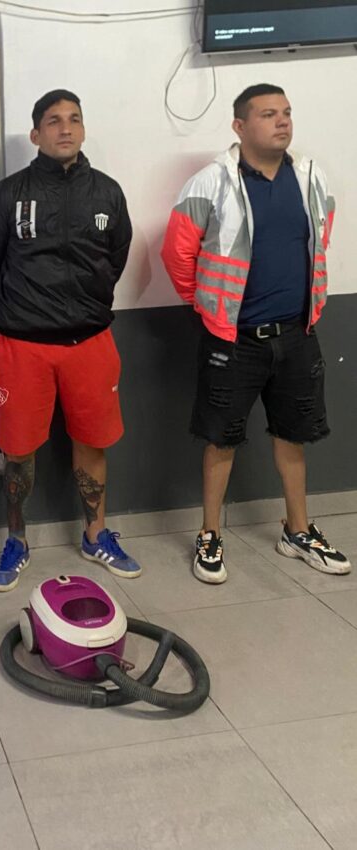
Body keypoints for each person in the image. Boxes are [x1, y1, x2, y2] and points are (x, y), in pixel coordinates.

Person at [161, 83, 351, 584]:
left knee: (294, 436)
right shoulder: (211, 182)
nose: (282, 121)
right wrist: (207, 307)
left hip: (297, 334)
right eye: (268, 114)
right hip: (234, 339)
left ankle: (298, 531)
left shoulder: (310, 176)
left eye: (286, 112)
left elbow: (321, 235)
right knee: (220, 439)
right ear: (240, 126)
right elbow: (177, 253)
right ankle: (210, 534)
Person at [0, 88, 138, 592]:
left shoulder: (107, 192)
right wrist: (25, 308)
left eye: (74, 119)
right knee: (18, 450)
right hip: (23, 346)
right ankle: (17, 540)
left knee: (93, 441)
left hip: (90, 343)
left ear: (83, 129)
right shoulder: (7, 194)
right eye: (53, 120)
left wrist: (83, 304)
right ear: (36, 134)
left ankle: (95, 535)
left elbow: (116, 257)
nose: (66, 128)